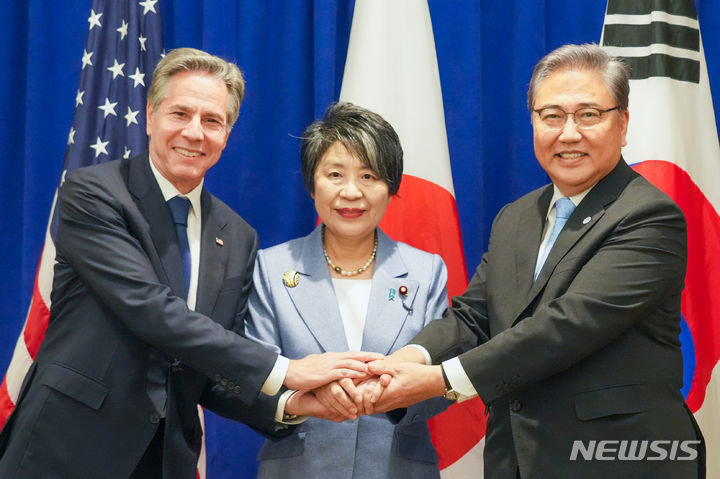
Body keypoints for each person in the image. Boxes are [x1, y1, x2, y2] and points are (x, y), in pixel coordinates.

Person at [0, 48, 377, 479]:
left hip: (167, 460)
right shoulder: (94, 193)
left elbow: (212, 362)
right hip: (66, 450)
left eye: (212, 120)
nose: (194, 132)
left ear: (227, 133)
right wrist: (286, 370)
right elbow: (151, 310)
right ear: (151, 115)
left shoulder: (237, 236)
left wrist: (290, 402)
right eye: (180, 113)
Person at [367, 44, 706, 479]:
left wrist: (442, 379)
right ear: (533, 122)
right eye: (551, 116)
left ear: (622, 124)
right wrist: (408, 358)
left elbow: (567, 326)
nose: (569, 133)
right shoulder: (516, 217)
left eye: (588, 115)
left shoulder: (648, 215)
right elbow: (474, 316)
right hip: (516, 459)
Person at [245, 102, 451, 478]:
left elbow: (441, 380)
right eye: (335, 174)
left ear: (391, 187)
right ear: (312, 184)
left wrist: (393, 397)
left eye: (369, 176)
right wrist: (305, 398)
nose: (352, 192)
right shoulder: (270, 268)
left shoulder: (426, 272)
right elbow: (251, 375)